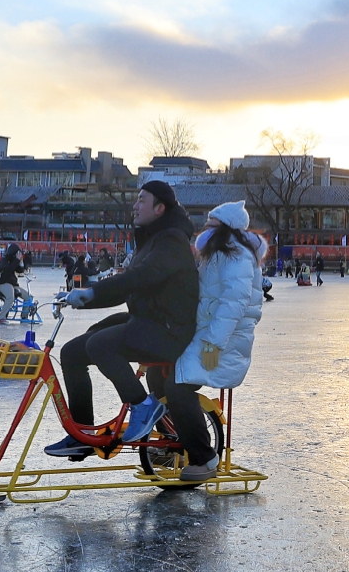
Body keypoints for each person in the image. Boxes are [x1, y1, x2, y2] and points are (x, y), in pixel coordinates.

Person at [46, 182, 201, 458]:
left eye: (141, 200)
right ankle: (83, 434)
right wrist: (83, 298)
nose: (135, 206)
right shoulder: (151, 240)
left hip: (170, 331)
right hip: (147, 322)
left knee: (100, 344)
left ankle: (142, 405)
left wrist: (92, 291)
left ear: (159, 208)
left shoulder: (172, 242)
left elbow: (139, 278)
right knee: (72, 352)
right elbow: (127, 289)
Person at [167, 201, 264, 485]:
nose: (205, 228)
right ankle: (173, 440)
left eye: (212, 223)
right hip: (208, 333)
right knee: (161, 376)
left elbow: (234, 303)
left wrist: (213, 344)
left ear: (225, 228)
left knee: (178, 385)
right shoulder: (217, 253)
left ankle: (204, 457)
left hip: (223, 341)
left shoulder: (236, 255)